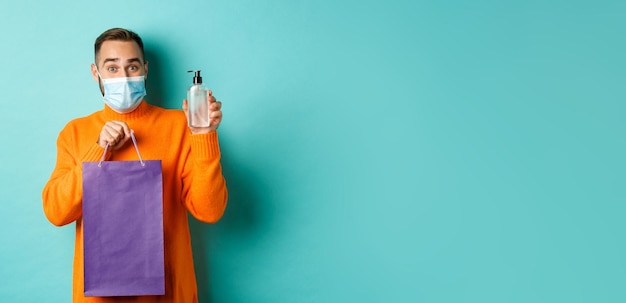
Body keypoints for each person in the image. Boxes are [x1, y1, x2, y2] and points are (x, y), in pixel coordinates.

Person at [42, 27, 228, 302]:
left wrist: (203, 136)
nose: (124, 77)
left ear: (145, 68)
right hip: (99, 297)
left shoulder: (179, 126)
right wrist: (97, 151)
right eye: (112, 68)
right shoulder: (75, 132)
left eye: (132, 66)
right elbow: (57, 213)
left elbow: (209, 211)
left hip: (170, 292)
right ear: (96, 73)